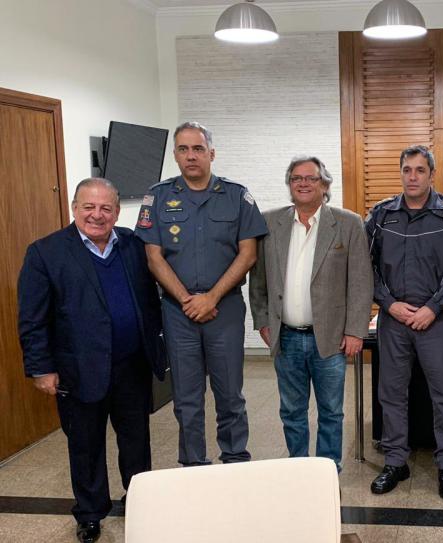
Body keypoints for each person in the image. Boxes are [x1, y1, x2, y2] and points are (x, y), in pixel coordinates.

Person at [18, 178, 166, 543]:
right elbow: (33, 318)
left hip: (132, 364)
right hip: (77, 369)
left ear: (116, 212)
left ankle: (140, 501)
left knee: (136, 441)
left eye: (105, 208)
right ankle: (89, 513)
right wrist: (41, 367)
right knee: (85, 446)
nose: (97, 215)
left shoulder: (133, 245)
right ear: (74, 208)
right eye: (89, 207)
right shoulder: (45, 253)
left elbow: (150, 299)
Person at [135, 121, 267, 466]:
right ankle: (193, 465)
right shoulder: (158, 196)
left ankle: (236, 458)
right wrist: (186, 300)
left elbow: (248, 254)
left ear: (211, 153)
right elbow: (153, 256)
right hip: (178, 313)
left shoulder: (237, 196)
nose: (191, 156)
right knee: (187, 398)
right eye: (183, 149)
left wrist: (211, 297)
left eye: (197, 149)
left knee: (230, 395)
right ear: (175, 155)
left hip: (224, 310)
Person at [249, 155, 372, 471]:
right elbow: (258, 278)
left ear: (325, 184)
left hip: (330, 338)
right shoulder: (269, 223)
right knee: (292, 410)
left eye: (311, 178)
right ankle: (298, 469)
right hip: (286, 336)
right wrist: (262, 322)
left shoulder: (348, 223)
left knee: (331, 410)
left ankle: (328, 469)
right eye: (296, 178)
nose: (303, 184)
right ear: (290, 185)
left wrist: (356, 330)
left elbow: (360, 281)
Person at [365, 145, 443, 499]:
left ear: (431, 174)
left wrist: (433, 308)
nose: (413, 176)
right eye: (407, 170)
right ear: (401, 172)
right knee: (391, 395)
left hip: (436, 321)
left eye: (420, 170)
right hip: (393, 321)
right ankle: (395, 461)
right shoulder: (381, 215)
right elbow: (367, 268)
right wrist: (389, 305)